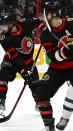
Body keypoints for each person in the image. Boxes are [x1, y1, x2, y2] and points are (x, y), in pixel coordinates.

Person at [0, 10, 43, 116]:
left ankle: (40, 104)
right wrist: (24, 71)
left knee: (34, 84)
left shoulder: (24, 23)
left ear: (11, 24)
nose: (2, 29)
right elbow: (15, 58)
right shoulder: (4, 38)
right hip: (11, 61)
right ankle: (0, 103)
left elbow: (38, 21)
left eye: (3, 26)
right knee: (2, 75)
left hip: (28, 61)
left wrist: (44, 29)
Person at [33, 1, 73, 131]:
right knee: (41, 92)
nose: (46, 18)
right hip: (57, 69)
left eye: (48, 15)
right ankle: (49, 126)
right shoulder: (46, 34)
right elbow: (52, 56)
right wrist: (64, 52)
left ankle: (65, 117)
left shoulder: (71, 24)